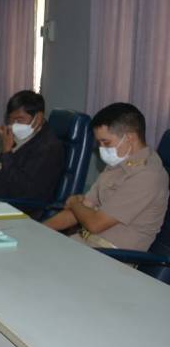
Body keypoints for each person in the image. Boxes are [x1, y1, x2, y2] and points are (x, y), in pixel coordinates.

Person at [44, 103, 169, 250]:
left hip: (112, 256)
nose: (101, 149)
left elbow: (95, 224)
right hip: (84, 243)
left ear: (130, 138)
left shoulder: (147, 176)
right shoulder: (118, 164)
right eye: (99, 143)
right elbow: (82, 209)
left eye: (106, 142)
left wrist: (74, 203)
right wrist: (41, 228)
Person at [0, 91, 64, 217]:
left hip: (5, 207)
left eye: (19, 120)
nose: (14, 125)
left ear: (39, 117)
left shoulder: (48, 148)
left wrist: (7, 152)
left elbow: (23, 191)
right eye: (11, 120)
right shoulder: (20, 137)